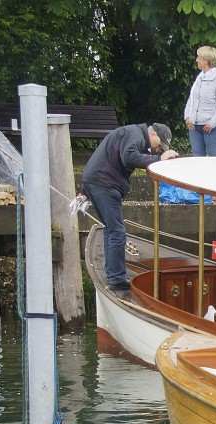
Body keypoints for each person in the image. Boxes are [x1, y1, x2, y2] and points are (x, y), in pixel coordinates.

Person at [80, 123, 177, 297]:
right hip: (104, 184)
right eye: (159, 144)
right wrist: (158, 160)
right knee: (117, 231)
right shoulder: (136, 135)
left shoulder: (131, 133)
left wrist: (86, 190)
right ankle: (116, 279)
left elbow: (105, 156)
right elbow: (129, 157)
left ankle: (113, 275)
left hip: (96, 181)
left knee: (111, 229)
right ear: (153, 133)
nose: (157, 149)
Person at [183, 45, 216, 157]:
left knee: (214, 160)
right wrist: (187, 117)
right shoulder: (199, 78)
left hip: (211, 128)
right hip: (194, 127)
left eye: (198, 57)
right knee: (197, 159)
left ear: (206, 60)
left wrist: (212, 123)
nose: (196, 60)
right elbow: (191, 99)